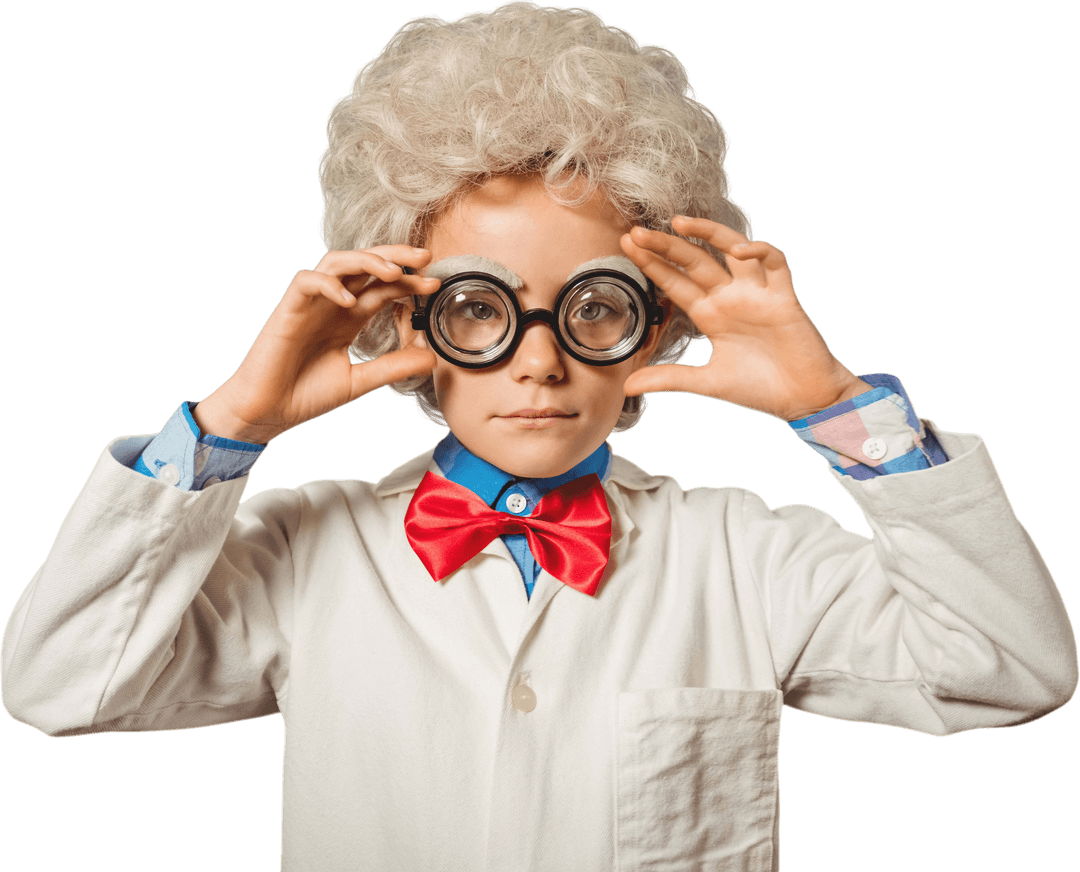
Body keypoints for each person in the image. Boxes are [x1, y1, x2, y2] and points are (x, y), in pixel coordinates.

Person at [2, 2, 1075, 870]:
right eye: (478, 305)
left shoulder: (746, 558)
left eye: (593, 305)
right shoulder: (299, 552)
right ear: (406, 317)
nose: (538, 358)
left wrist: (834, 405)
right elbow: (58, 682)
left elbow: (1012, 665)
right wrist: (234, 420)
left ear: (658, 319)